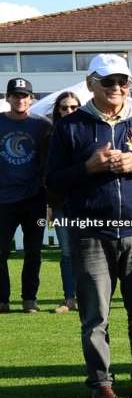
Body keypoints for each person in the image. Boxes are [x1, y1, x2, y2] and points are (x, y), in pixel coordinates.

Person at [46, 54, 132, 398]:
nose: (117, 87)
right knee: (95, 317)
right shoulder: (69, 126)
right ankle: (101, 383)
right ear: (91, 84)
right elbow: (52, 183)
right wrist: (88, 167)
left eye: (123, 81)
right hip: (91, 234)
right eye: (108, 81)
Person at [0, 77, 51, 314]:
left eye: (24, 95)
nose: (20, 99)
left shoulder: (43, 125)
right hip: (3, 200)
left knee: (33, 252)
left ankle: (29, 299)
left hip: (34, 199)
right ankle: (2, 300)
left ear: (31, 99)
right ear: (7, 97)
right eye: (15, 95)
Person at [47, 92, 81, 313]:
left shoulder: (90, 132)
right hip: (61, 203)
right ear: (57, 111)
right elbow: (47, 174)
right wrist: (50, 205)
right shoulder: (50, 136)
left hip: (88, 203)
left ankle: (89, 296)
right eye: (64, 108)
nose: (69, 111)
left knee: (90, 251)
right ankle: (69, 298)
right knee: (67, 252)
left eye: (74, 107)